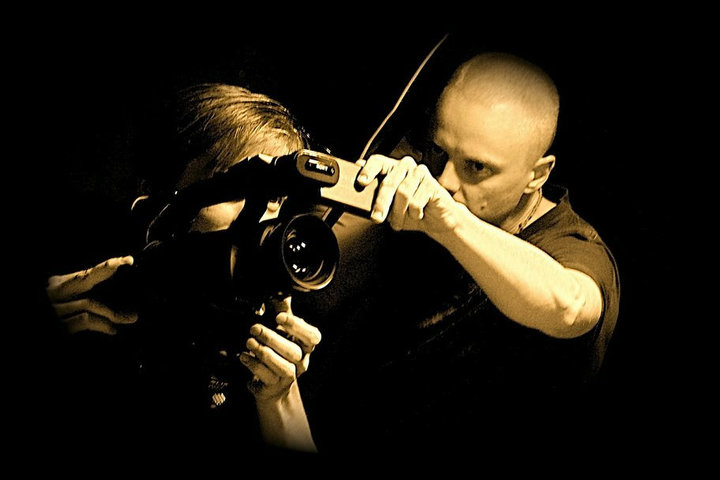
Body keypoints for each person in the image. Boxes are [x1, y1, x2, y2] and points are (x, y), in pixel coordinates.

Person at [248, 51, 621, 455]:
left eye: (476, 167)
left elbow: (569, 307)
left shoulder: (572, 244)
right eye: (439, 151)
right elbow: (317, 294)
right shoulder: (420, 188)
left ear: (538, 174)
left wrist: (449, 221)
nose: (445, 180)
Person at [44, 83, 322, 453]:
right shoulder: (88, 268)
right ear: (161, 192)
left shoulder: (271, 324)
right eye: (234, 186)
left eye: (271, 198)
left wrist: (279, 398)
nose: (254, 216)